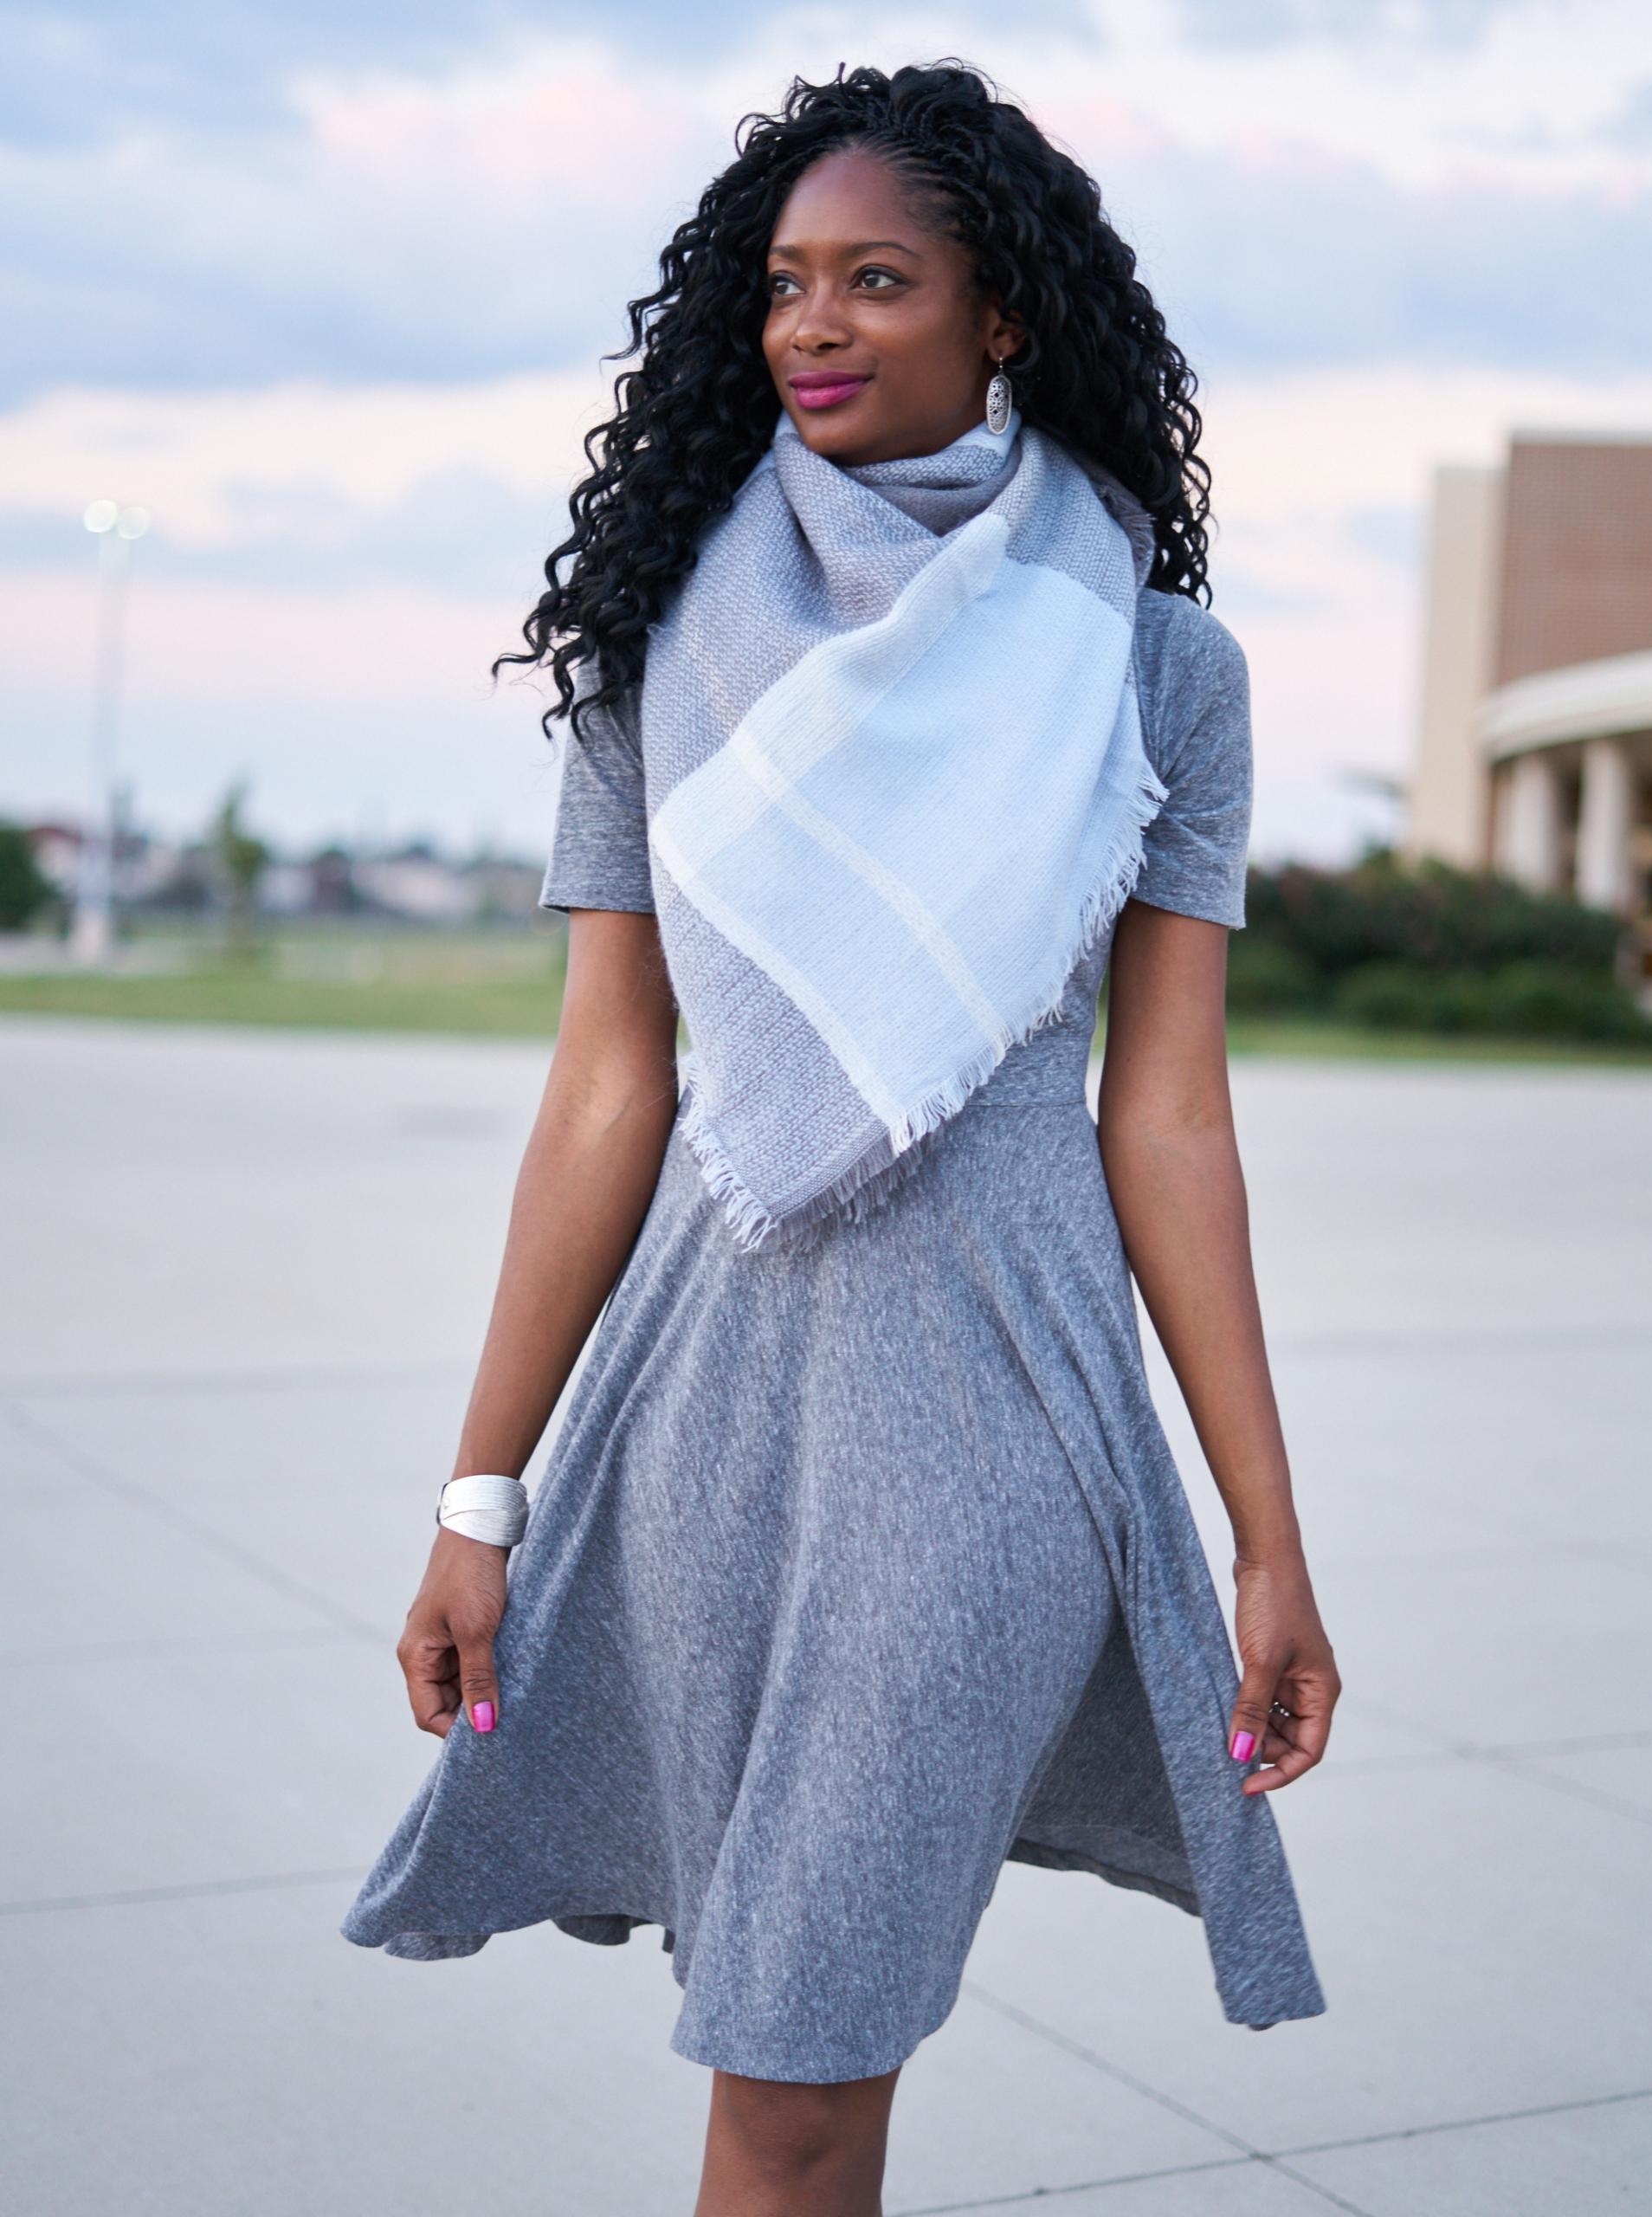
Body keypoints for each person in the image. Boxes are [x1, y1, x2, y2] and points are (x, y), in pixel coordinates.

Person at [342, 59, 1340, 2217]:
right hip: (705, 1401)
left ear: (1004, 314)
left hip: (996, 1404)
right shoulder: (660, 650)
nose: (813, 321)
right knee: (786, 2042)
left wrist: (1265, 1533)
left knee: (796, 2060)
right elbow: (610, 1085)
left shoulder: (1156, 668)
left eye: (878, 279)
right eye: (788, 281)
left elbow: (1168, 1111)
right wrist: (479, 1494)